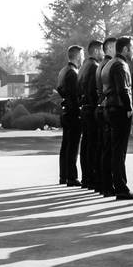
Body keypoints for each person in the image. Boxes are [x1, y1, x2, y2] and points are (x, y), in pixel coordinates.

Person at [102, 36, 133, 199]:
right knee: (119, 150)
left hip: (109, 108)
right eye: (132, 48)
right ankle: (121, 188)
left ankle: (108, 185)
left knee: (111, 149)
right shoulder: (120, 65)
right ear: (125, 49)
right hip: (119, 110)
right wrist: (129, 108)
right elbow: (124, 89)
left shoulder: (109, 64)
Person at [55, 45, 84, 187]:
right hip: (72, 113)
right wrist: (78, 112)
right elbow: (73, 96)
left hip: (66, 112)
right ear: (77, 56)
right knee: (72, 146)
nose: (83, 58)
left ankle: (63, 176)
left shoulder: (63, 71)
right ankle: (71, 177)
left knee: (65, 146)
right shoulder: (73, 73)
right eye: (82, 55)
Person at [77, 40, 103, 191]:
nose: (103, 53)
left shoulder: (83, 67)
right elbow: (93, 90)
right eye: (101, 50)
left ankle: (86, 178)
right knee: (93, 145)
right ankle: (92, 178)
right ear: (95, 51)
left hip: (84, 108)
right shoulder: (94, 66)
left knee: (86, 144)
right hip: (91, 108)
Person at [94, 37, 117, 196]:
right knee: (109, 149)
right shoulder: (108, 65)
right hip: (107, 108)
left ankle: (103, 184)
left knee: (104, 148)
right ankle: (108, 185)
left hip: (102, 108)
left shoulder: (102, 64)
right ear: (108, 48)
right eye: (116, 46)